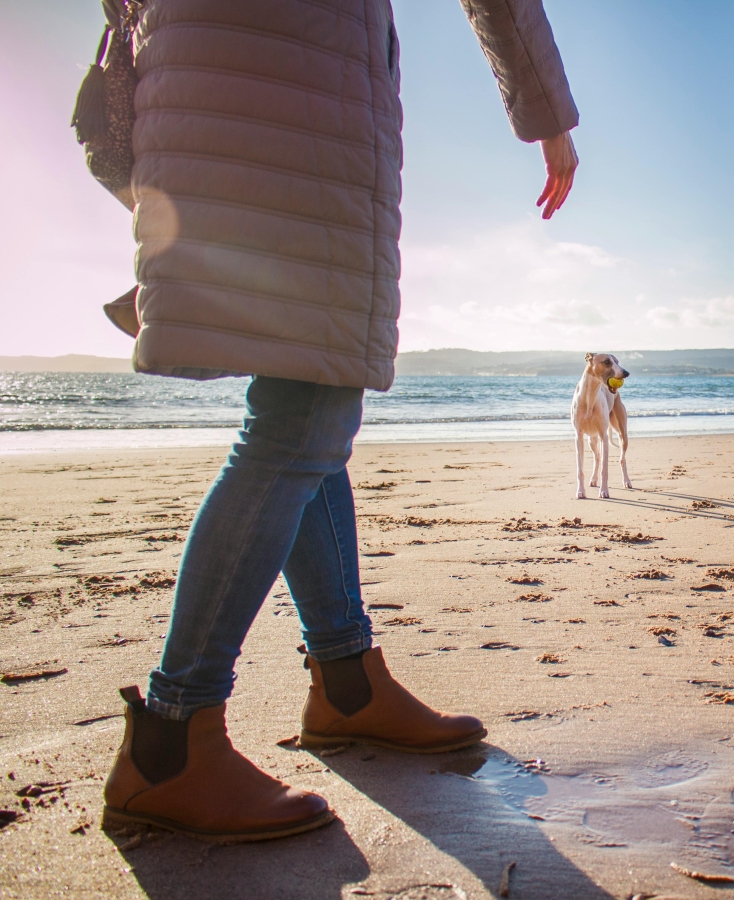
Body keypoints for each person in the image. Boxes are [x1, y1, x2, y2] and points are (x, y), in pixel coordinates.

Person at [101, 0, 578, 842]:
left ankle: (346, 681)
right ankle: (172, 738)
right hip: (294, 77)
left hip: (222, 69)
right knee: (303, 417)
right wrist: (547, 116)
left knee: (308, 397)